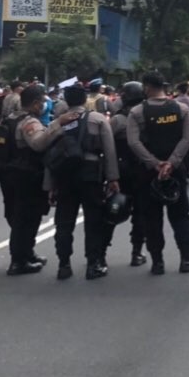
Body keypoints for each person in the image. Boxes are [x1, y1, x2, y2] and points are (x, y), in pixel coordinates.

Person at [126, 71, 189, 275]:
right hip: (176, 172)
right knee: (181, 215)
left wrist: (154, 164)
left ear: (146, 87)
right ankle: (186, 259)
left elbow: (133, 142)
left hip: (147, 173)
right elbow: (188, 138)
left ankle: (157, 262)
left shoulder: (137, 112)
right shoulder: (181, 109)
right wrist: (171, 163)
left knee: (151, 217)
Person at [0, 85, 76, 275]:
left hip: (9, 173)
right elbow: (38, 144)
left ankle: (27, 253)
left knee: (23, 216)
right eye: (42, 102)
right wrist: (57, 123)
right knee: (25, 218)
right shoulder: (29, 122)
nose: (44, 105)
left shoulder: (9, 118)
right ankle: (18, 261)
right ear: (34, 104)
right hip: (26, 176)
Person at [47, 83, 121, 280]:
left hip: (64, 176)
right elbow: (109, 151)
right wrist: (113, 178)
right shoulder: (97, 119)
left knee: (63, 222)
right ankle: (93, 264)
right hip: (90, 174)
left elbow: (51, 156)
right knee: (93, 220)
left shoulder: (58, 123)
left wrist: (50, 186)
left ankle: (63, 265)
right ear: (84, 100)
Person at [110, 81, 149, 266]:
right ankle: (136, 252)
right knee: (141, 214)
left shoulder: (118, 120)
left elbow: (105, 143)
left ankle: (99, 255)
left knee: (112, 210)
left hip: (121, 171)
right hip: (143, 170)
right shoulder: (147, 116)